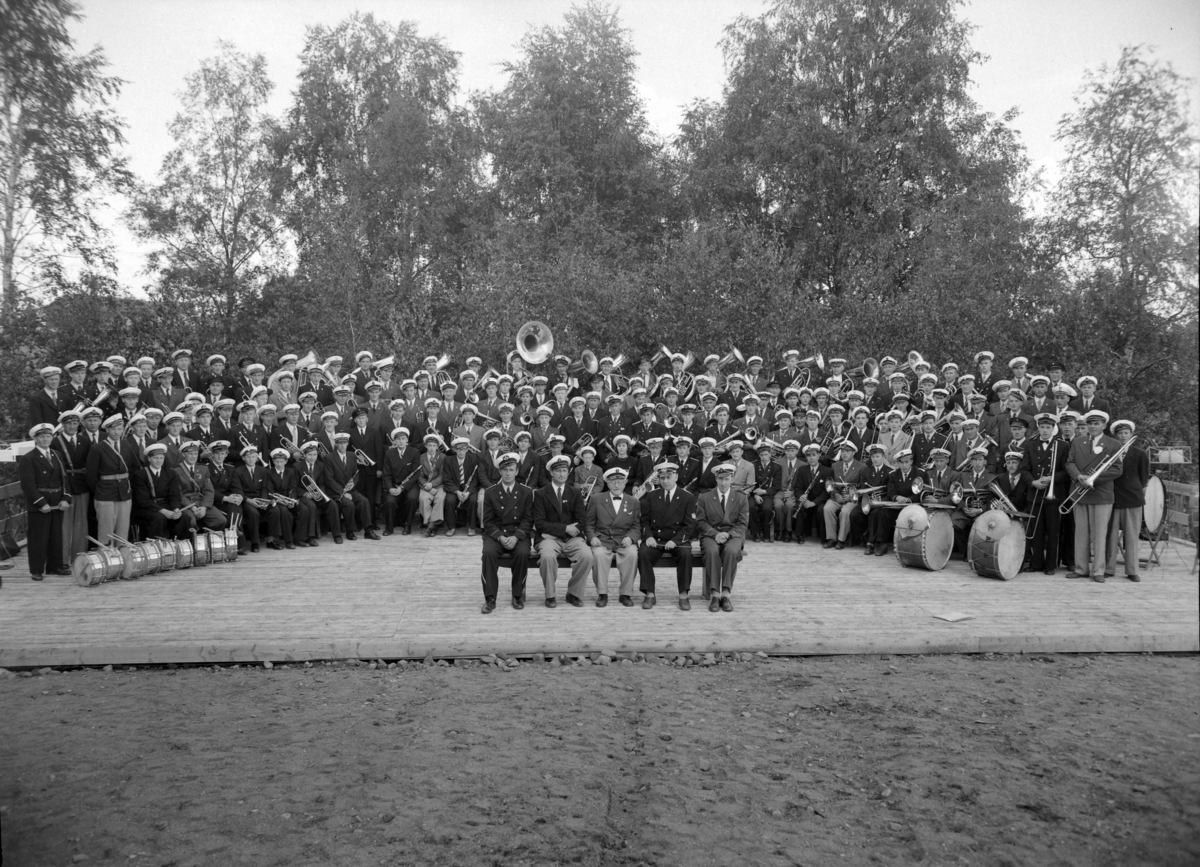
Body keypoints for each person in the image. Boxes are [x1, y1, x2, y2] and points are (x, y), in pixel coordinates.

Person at [1065, 408, 1126, 582]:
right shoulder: (1078, 441)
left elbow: (1117, 469)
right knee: (1081, 533)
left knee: (1099, 534)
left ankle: (1098, 571)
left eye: (1096, 423)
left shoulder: (1113, 443)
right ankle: (1081, 568)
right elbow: (1070, 462)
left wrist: (1092, 478)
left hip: (1101, 493)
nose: (1092, 426)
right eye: (1090, 423)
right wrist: (1078, 476)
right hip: (1079, 492)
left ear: (1104, 425)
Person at [637, 460, 697, 610]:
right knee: (643, 553)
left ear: (676, 477)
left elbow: (690, 525)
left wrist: (676, 541)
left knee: (686, 554)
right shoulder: (651, 496)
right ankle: (649, 594)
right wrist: (648, 536)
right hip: (655, 539)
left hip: (677, 540)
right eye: (662, 478)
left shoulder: (687, 497)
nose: (665, 481)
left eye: (668, 477)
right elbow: (644, 520)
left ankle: (684, 595)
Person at [533, 454, 592, 608]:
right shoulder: (540, 494)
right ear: (551, 473)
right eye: (558, 471)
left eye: (564, 470)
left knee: (587, 556)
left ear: (568, 472)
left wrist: (557, 531)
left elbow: (582, 521)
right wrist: (566, 528)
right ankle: (550, 595)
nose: (561, 474)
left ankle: (574, 593)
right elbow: (539, 524)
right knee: (546, 557)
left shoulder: (575, 492)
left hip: (571, 538)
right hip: (548, 540)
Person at [480, 452, 535, 613]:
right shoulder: (490, 492)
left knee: (523, 554)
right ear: (500, 472)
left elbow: (528, 519)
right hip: (496, 534)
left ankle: (517, 595)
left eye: (511, 470)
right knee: (488, 554)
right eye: (505, 470)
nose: (508, 473)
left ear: (517, 471)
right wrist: (501, 537)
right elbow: (488, 522)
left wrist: (516, 536)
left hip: (518, 534)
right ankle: (490, 598)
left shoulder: (525, 492)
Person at [19, 423, 72, 580]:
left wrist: (65, 498)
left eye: (48, 436)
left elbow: (64, 478)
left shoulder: (56, 455)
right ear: (35, 439)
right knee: (38, 537)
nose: (45, 439)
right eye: (41, 437)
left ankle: (55, 567)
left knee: (56, 535)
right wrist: (41, 503)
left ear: (52, 437)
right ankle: (36, 570)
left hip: (57, 501)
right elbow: (28, 485)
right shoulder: (28, 458)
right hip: (40, 503)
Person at [585, 466, 642, 607]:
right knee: (598, 555)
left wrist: (631, 537)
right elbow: (588, 523)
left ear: (625, 482)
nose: (616, 485)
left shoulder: (634, 501)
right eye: (612, 482)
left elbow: (636, 525)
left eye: (620, 481)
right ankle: (602, 593)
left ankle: (625, 593)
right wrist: (592, 537)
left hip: (624, 540)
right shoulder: (596, 499)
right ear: (607, 483)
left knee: (632, 555)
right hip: (603, 539)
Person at [695, 463, 748, 611]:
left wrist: (728, 535)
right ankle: (715, 594)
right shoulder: (705, 497)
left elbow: (743, 524)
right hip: (711, 535)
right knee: (711, 552)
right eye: (720, 479)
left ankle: (726, 593)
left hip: (733, 535)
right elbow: (700, 522)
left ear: (732, 478)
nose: (723, 483)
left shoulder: (740, 498)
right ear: (715, 479)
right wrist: (715, 534)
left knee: (731, 551)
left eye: (726, 479)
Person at [1021, 413, 1068, 575]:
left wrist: (1051, 479)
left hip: (1054, 495)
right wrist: (1033, 482)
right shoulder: (1029, 444)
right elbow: (1024, 469)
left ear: (1053, 428)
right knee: (1037, 532)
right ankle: (1036, 563)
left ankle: (1050, 565)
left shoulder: (1062, 446)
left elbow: (1066, 471)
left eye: (1048, 427)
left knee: (1053, 531)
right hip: (1035, 493)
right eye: (1042, 427)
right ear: (1038, 428)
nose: (1045, 430)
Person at [1104, 419, 1149, 583]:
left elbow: (1144, 478)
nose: (1123, 436)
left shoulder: (1140, 454)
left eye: (1126, 433)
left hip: (1132, 499)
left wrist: (1134, 490)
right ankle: (1109, 568)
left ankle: (1132, 570)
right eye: (1120, 433)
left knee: (1131, 536)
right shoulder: (1109, 452)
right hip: (1113, 498)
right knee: (1110, 536)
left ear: (1131, 434)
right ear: (1115, 435)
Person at [85, 414, 139, 545]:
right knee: (106, 530)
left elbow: (134, 468)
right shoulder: (97, 448)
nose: (116, 432)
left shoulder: (127, 446)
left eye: (119, 428)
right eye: (113, 429)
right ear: (107, 430)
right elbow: (91, 475)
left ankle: (122, 557)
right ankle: (107, 558)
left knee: (123, 529)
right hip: (105, 493)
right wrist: (99, 489)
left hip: (124, 493)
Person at [50, 409, 91, 563]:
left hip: (82, 484)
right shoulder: (55, 442)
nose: (72, 426)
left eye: (75, 423)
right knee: (64, 525)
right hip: (65, 486)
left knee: (81, 523)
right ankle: (63, 558)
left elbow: (88, 463)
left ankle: (78, 556)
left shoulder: (84, 440)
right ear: (62, 425)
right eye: (68, 424)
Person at [132, 442, 185, 540]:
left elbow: (175, 495)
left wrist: (176, 509)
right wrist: (164, 511)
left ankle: (182, 548)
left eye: (161, 458)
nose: (158, 461)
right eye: (155, 458)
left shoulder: (170, 473)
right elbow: (143, 500)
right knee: (159, 518)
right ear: (149, 459)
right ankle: (158, 548)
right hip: (148, 508)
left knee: (184, 517)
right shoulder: (140, 474)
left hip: (166, 504)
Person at [174, 440, 228, 535]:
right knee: (191, 521)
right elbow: (178, 494)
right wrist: (193, 508)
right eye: (190, 454)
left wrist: (204, 507)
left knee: (221, 520)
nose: (193, 456)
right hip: (186, 504)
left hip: (201, 502)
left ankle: (207, 539)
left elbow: (209, 490)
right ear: (183, 454)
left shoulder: (203, 468)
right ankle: (192, 544)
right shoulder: (176, 471)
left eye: (195, 453)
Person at [822, 440, 867, 549]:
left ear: (854, 452)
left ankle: (841, 540)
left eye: (847, 451)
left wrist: (851, 496)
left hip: (852, 498)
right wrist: (835, 494)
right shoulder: (835, 465)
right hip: (837, 497)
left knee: (845, 512)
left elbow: (863, 487)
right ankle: (831, 538)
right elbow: (829, 483)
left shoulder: (862, 467)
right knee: (827, 508)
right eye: (842, 451)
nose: (844, 454)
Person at [443, 437, 479, 536]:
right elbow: (447, 479)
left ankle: (472, 527)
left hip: (469, 489)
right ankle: (451, 527)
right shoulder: (448, 460)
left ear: (467, 449)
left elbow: (475, 478)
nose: (461, 452)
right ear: (455, 450)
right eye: (458, 449)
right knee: (449, 501)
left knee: (473, 500)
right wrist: (456, 491)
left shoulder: (473, 459)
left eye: (463, 449)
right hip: (454, 489)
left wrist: (468, 492)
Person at [748, 442, 781, 542]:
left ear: (770, 454)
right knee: (751, 507)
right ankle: (755, 533)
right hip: (755, 494)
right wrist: (755, 494)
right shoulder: (753, 466)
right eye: (761, 455)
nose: (764, 457)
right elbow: (750, 483)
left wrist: (764, 491)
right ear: (758, 455)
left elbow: (776, 486)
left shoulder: (776, 467)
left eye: (766, 454)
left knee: (767, 509)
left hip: (767, 494)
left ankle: (766, 532)